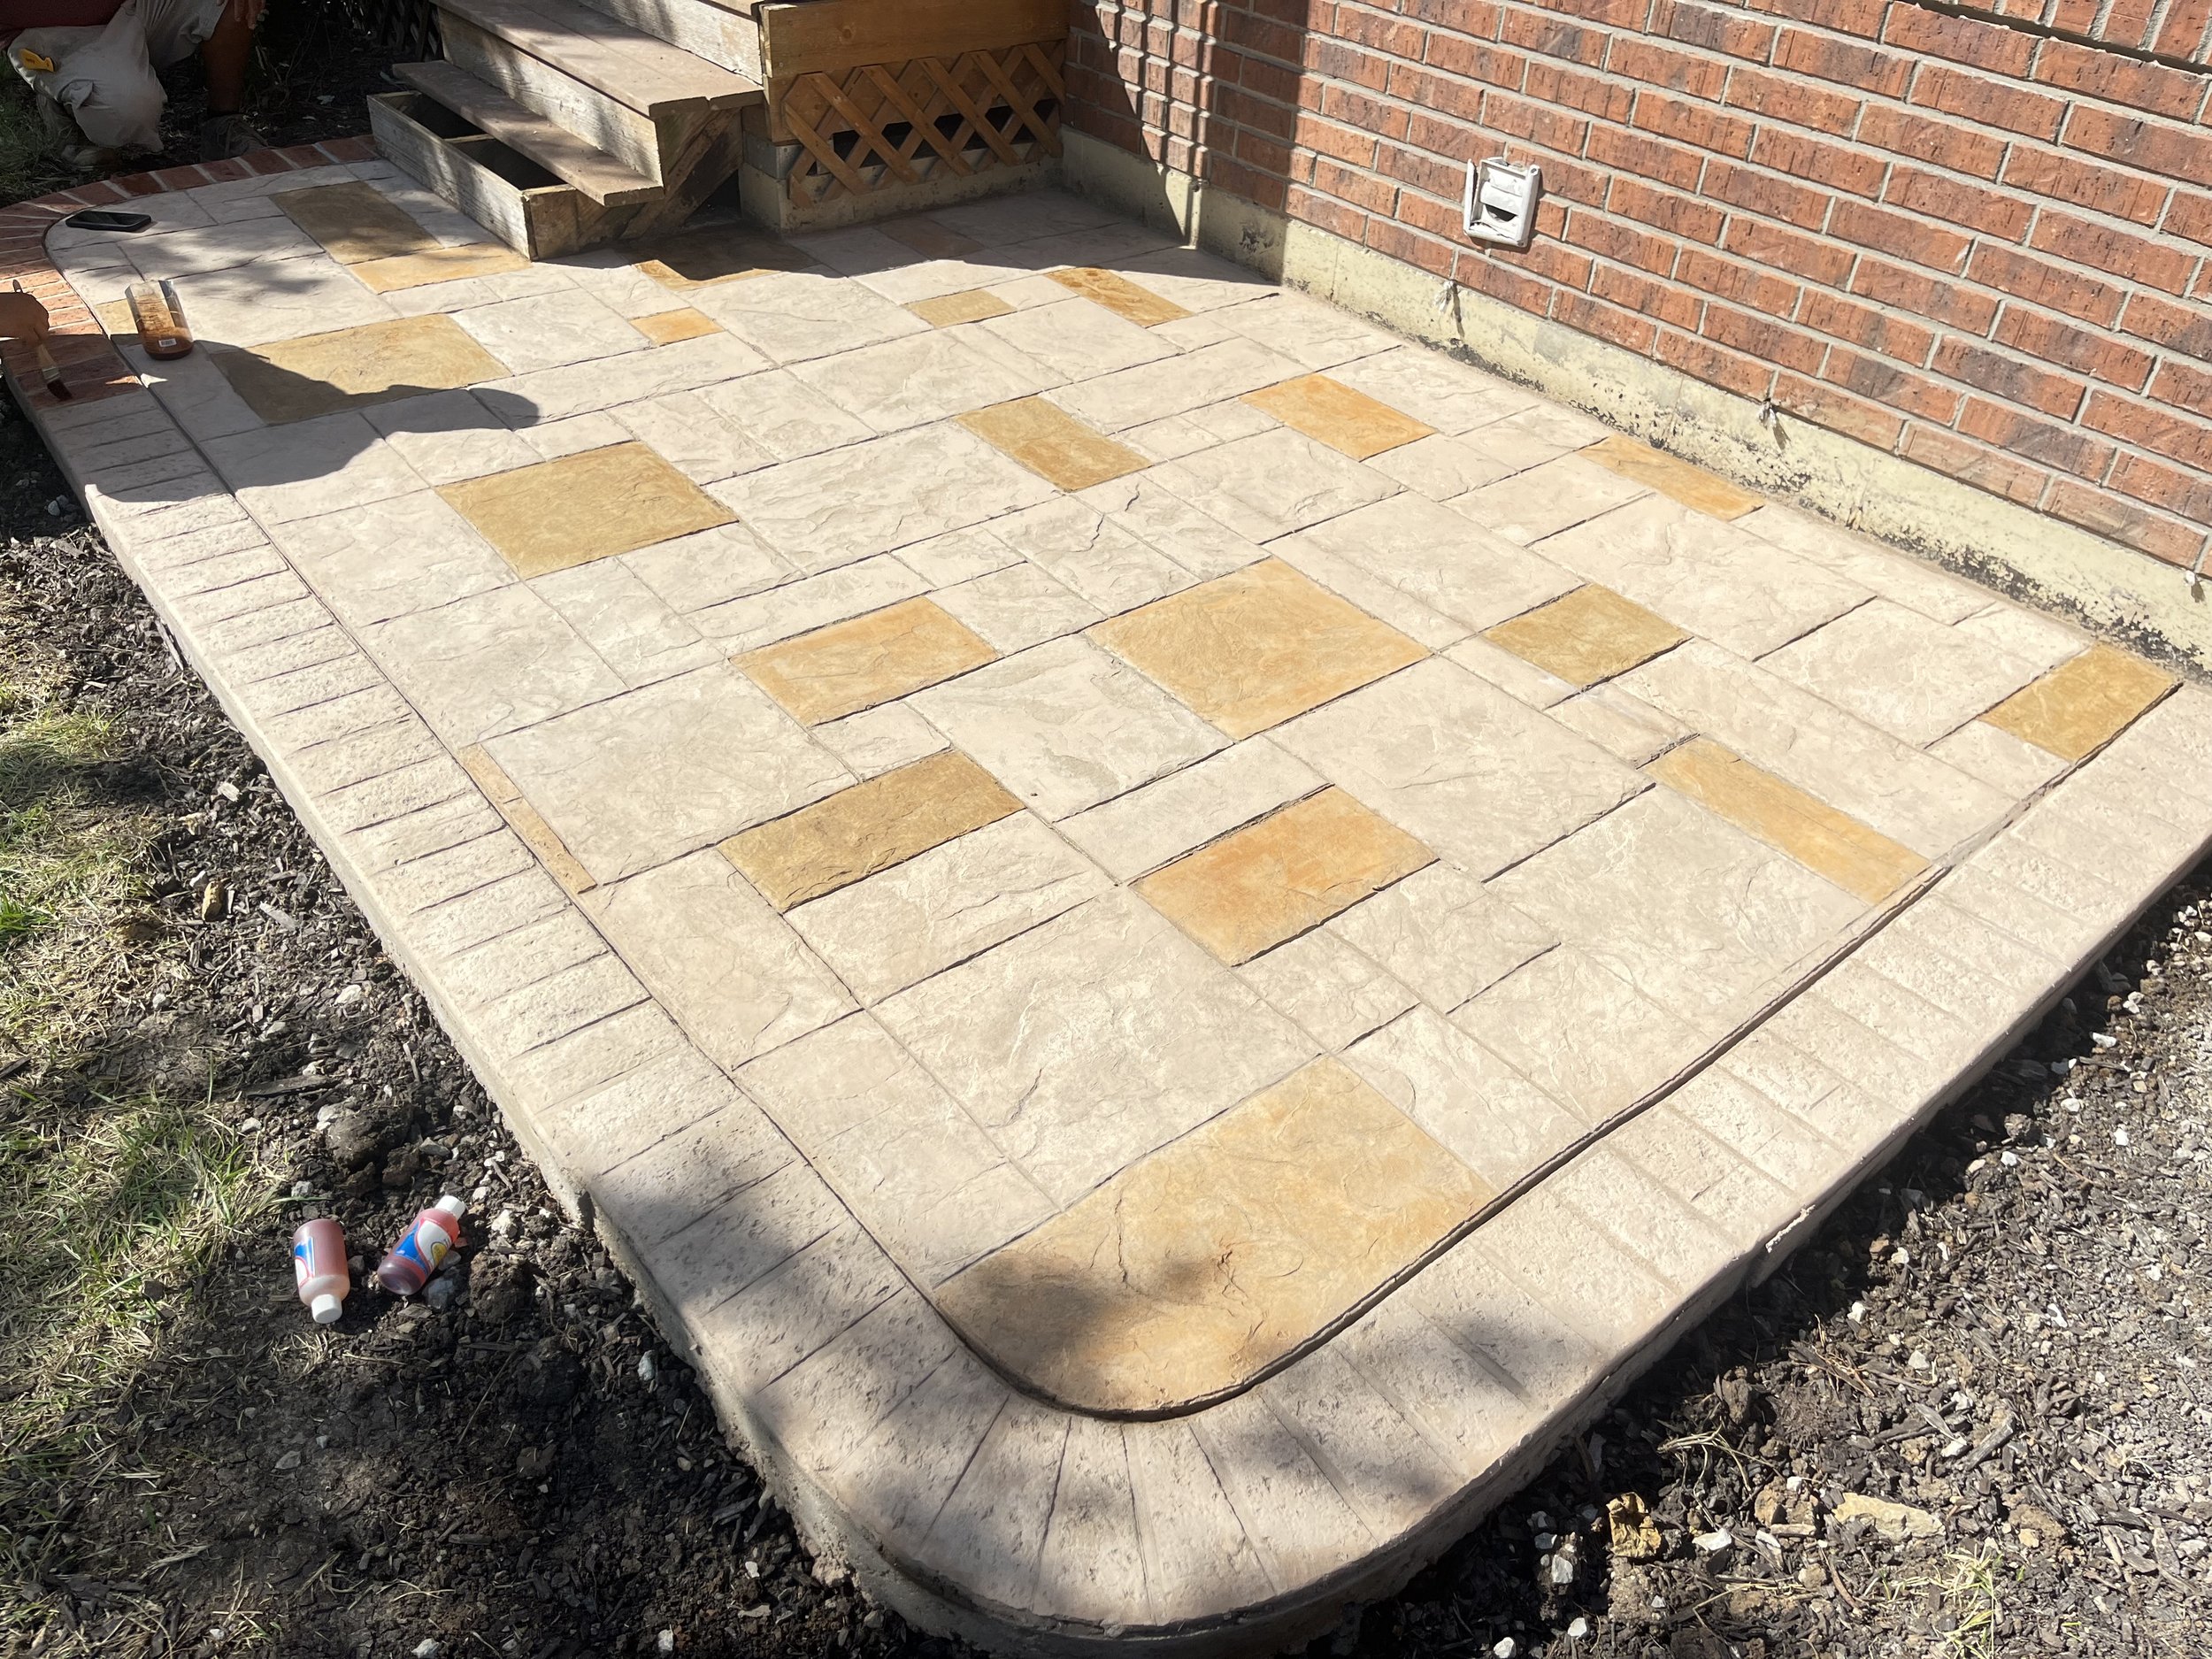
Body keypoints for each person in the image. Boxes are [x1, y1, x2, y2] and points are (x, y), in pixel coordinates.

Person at [3, 0, 265, 164]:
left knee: (229, 3)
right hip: (52, 35)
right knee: (130, 110)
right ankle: (65, 105)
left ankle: (223, 124)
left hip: (133, 7)